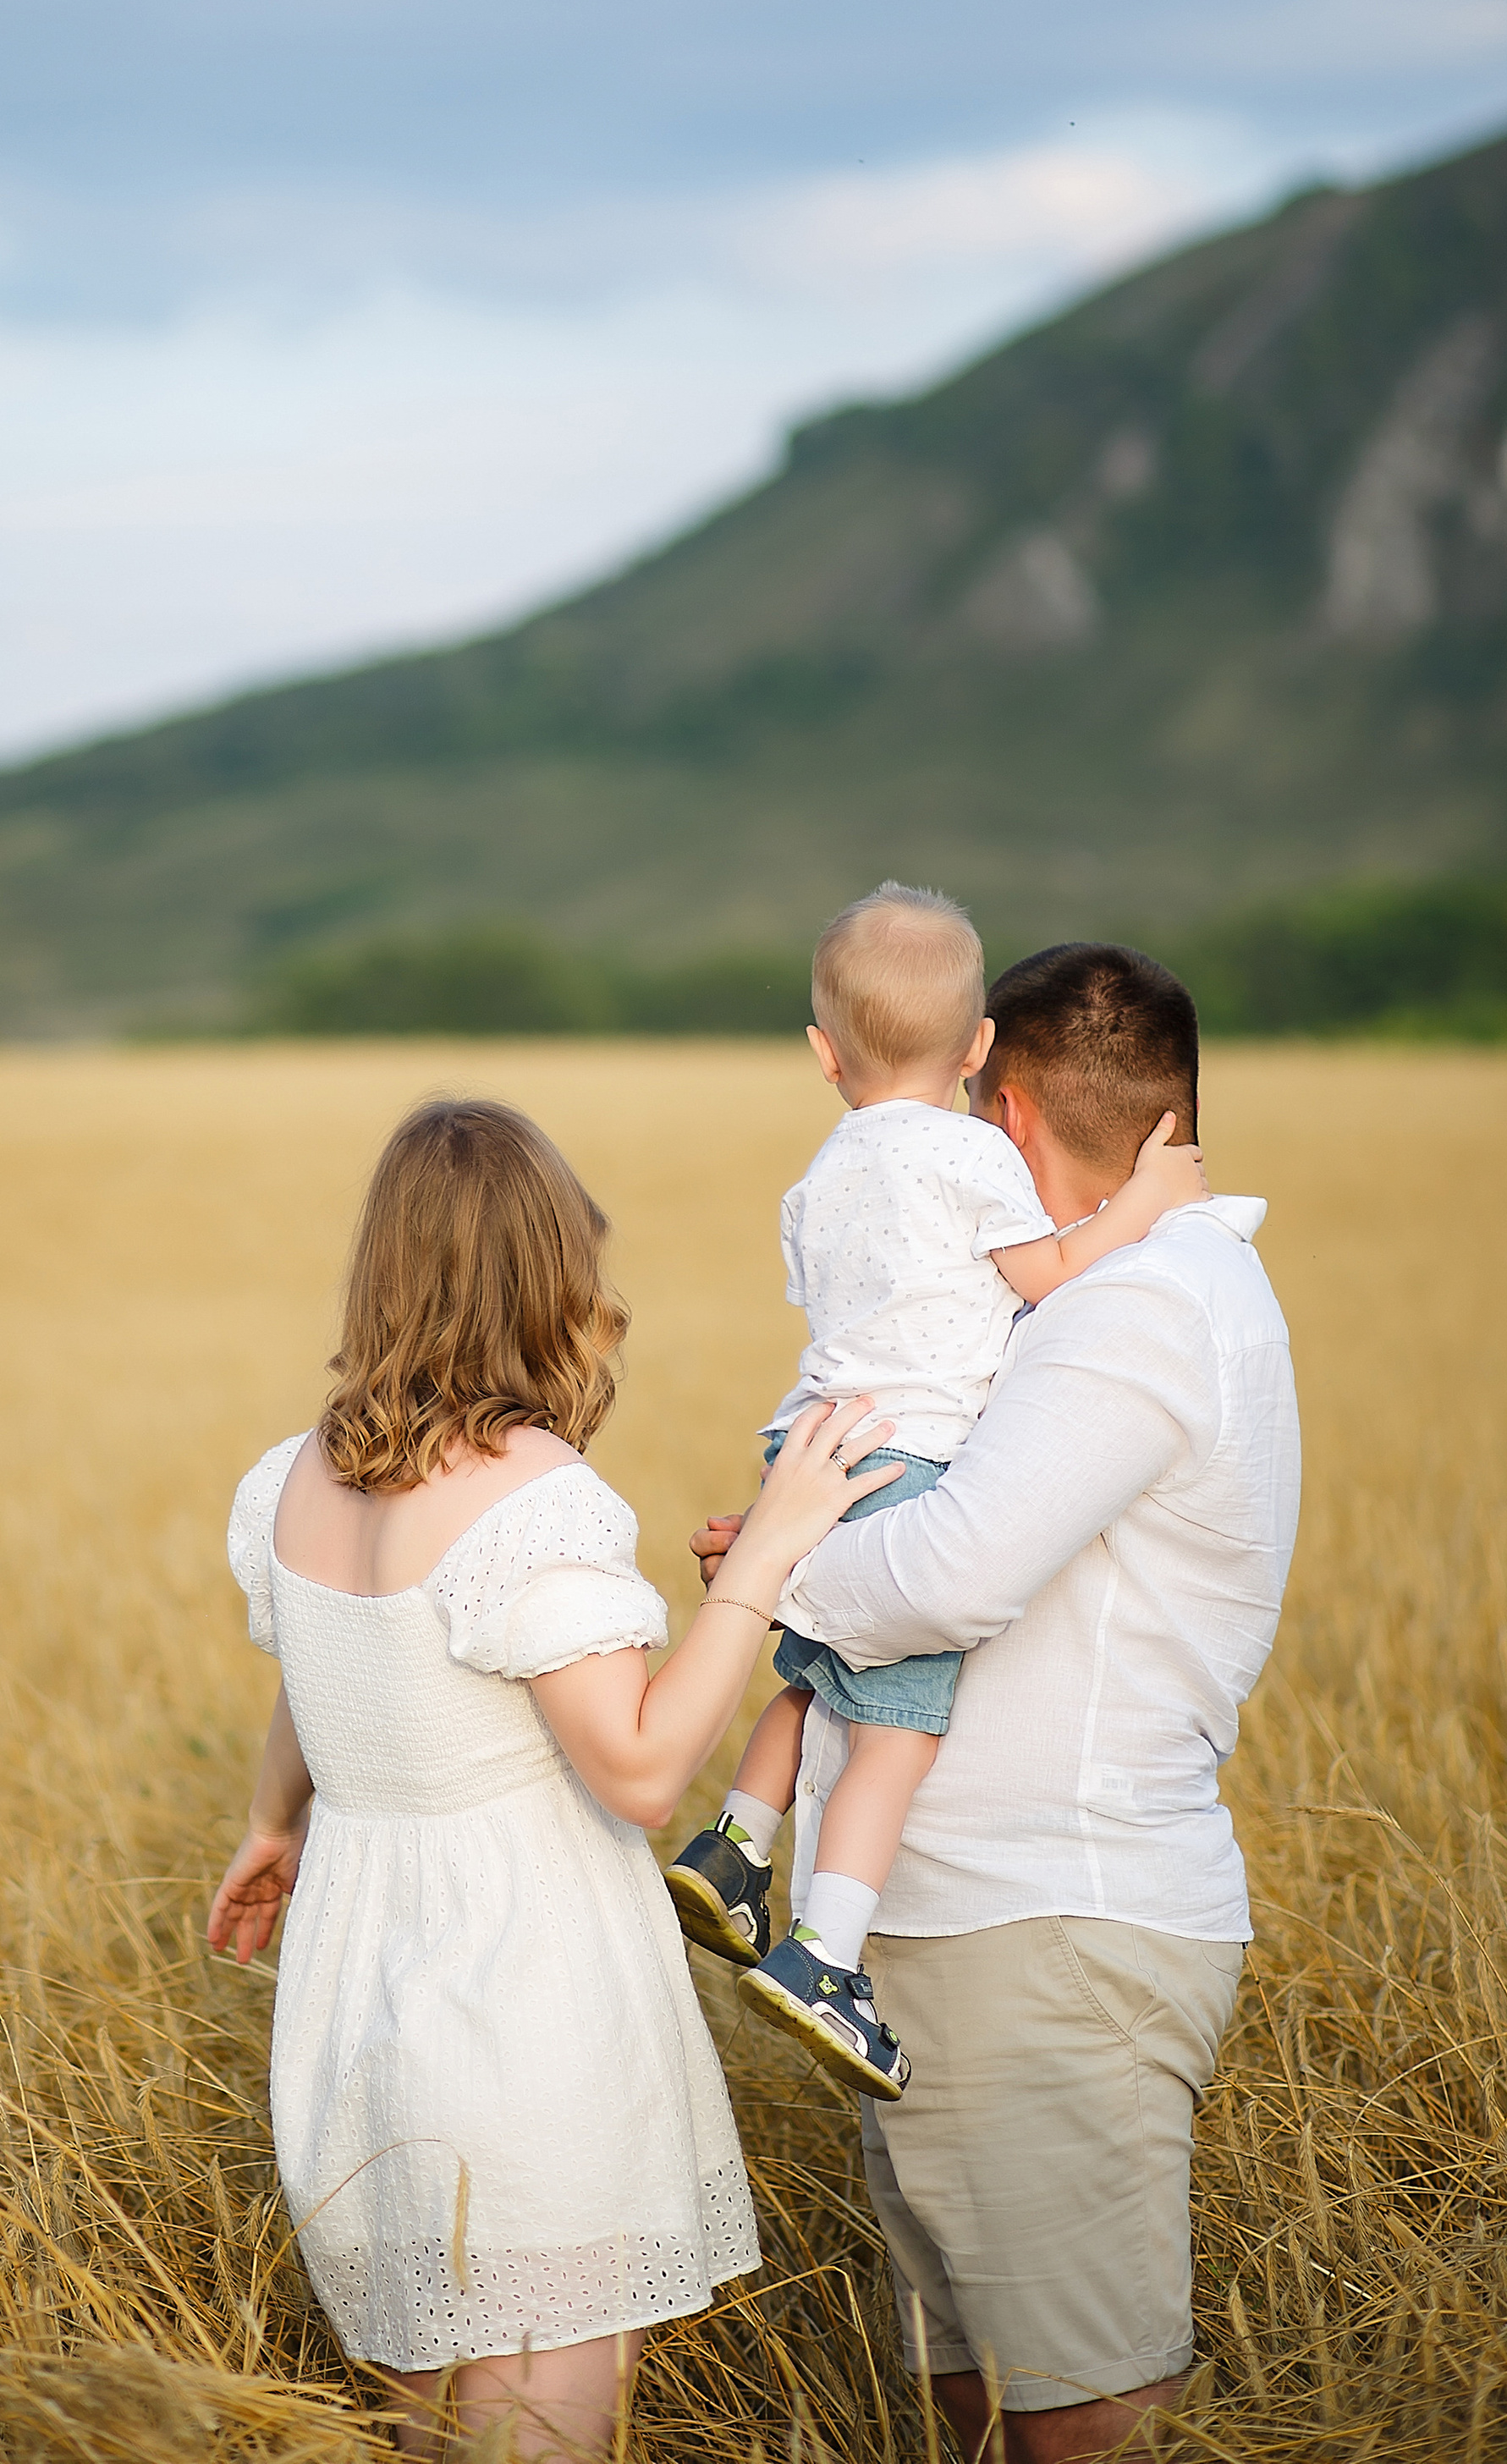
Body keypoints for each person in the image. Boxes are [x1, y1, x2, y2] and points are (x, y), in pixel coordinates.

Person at [207, 1096, 896, 2459]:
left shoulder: (296, 1477)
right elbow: (642, 1772)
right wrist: (770, 1554)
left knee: (423, 2426)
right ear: (548, 1275)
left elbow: (316, 1665)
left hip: (356, 1998)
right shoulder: (533, 1498)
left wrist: (271, 1819)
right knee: (543, 2432)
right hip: (518, 1997)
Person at [690, 943, 1300, 2461]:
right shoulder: (1083, 1299)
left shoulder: (1143, 1302)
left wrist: (770, 1573)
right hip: (963, 1933)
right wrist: (809, 1547)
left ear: (1002, 1114)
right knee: (974, 2406)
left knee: (1076, 2418)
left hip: (1041, 1934)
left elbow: (953, 1575)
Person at [665, 884, 1207, 2099]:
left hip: (810, 1441)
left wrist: (779, 1545)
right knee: (898, 1731)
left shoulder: (820, 1174)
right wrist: (1149, 1204)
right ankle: (828, 1963)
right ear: (976, 1054)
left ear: (823, 1055)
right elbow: (1052, 1270)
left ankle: (737, 1845)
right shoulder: (974, 1149)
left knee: (813, 1673)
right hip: (911, 1459)